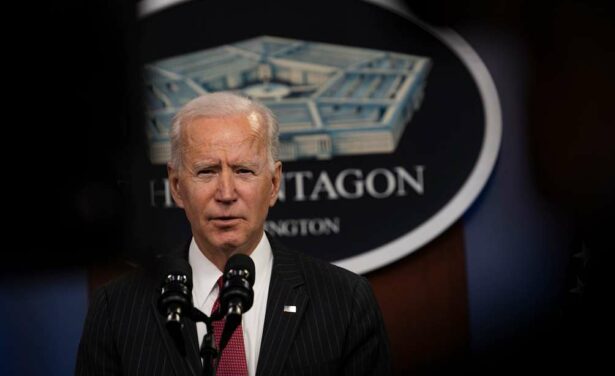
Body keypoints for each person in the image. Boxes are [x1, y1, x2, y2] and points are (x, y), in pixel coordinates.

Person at [76, 92, 391, 376]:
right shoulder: (117, 309)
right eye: (207, 171)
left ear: (273, 183)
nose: (226, 193)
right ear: (176, 186)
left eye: (243, 171)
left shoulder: (344, 301)